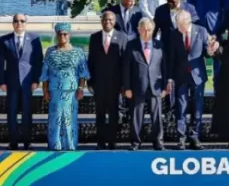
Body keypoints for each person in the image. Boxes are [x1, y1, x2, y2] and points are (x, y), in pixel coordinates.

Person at [39, 23, 89, 151]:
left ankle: (70, 145)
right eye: (60, 34)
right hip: (55, 91)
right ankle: (55, 145)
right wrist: (44, 90)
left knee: (69, 118)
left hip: (71, 91)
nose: (62, 36)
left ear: (69, 35)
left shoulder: (78, 51)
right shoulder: (51, 51)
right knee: (55, 118)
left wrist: (81, 89)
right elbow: (45, 72)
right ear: (56, 35)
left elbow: (83, 73)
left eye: (65, 34)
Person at [123, 18, 171, 151]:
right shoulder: (131, 45)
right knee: (136, 117)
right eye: (144, 29)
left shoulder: (159, 45)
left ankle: (158, 142)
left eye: (149, 30)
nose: (146, 32)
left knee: (157, 117)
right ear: (139, 30)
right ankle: (136, 142)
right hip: (137, 87)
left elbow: (164, 66)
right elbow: (126, 68)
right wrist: (127, 87)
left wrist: (165, 85)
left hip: (156, 87)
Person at [168, 10, 210, 150]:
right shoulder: (174, 34)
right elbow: (171, 57)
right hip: (180, 76)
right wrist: (170, 77)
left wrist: (211, 50)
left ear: (188, 22)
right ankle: (181, 137)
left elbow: (207, 52)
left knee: (197, 108)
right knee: (181, 107)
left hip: (197, 76)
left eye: (180, 25)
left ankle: (195, 136)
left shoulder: (201, 31)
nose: (179, 28)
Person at [0, 14, 43, 150]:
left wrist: (36, 80)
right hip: (10, 82)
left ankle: (27, 141)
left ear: (26, 23)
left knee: (27, 111)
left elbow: (38, 61)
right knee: (11, 112)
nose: (19, 23)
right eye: (16, 21)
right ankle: (13, 142)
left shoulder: (35, 39)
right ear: (13, 23)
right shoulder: (4, 40)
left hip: (28, 82)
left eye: (22, 21)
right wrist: (1, 81)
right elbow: (0, 63)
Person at [87, 11, 127, 150]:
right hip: (99, 83)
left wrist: (124, 84)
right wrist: (90, 82)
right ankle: (100, 141)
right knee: (100, 113)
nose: (107, 22)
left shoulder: (122, 37)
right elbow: (91, 61)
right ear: (101, 21)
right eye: (105, 19)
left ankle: (112, 141)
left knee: (114, 113)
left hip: (116, 84)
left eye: (110, 20)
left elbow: (125, 63)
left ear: (114, 21)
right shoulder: (94, 37)